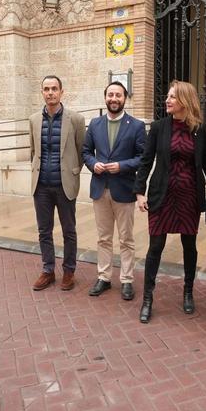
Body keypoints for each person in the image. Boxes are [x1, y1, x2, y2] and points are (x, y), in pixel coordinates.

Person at [134, 80, 206, 323]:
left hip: (189, 195)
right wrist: (139, 191)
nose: (167, 100)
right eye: (167, 96)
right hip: (162, 195)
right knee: (155, 246)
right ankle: (147, 298)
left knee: (190, 246)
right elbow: (146, 160)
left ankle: (188, 292)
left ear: (185, 101)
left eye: (172, 97)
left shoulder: (199, 129)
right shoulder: (159, 127)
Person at [82, 81, 147, 300]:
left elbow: (143, 158)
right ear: (105, 97)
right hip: (100, 189)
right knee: (103, 238)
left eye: (118, 95)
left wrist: (122, 165)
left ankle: (127, 280)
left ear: (125, 98)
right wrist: (93, 164)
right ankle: (104, 277)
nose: (114, 99)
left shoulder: (136, 126)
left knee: (126, 239)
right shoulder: (95, 124)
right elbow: (85, 151)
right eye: (110, 94)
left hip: (125, 190)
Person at [28, 75, 87, 292]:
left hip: (64, 185)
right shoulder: (33, 119)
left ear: (62, 92)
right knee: (44, 230)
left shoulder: (76, 120)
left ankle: (69, 270)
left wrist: (72, 172)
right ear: (42, 92)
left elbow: (81, 151)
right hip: (41, 186)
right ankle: (48, 270)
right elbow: (33, 151)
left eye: (54, 88)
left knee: (69, 230)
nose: (50, 92)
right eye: (46, 89)